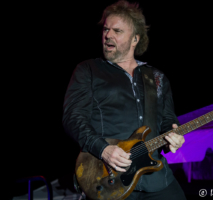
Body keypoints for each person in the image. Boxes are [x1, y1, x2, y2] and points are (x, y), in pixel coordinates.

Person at [63, 1, 186, 199]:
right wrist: (103, 149)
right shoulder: (88, 70)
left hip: (156, 179)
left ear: (135, 39)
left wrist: (173, 136)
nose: (108, 35)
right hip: (108, 178)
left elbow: (167, 119)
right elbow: (73, 117)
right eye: (106, 29)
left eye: (117, 31)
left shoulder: (157, 77)